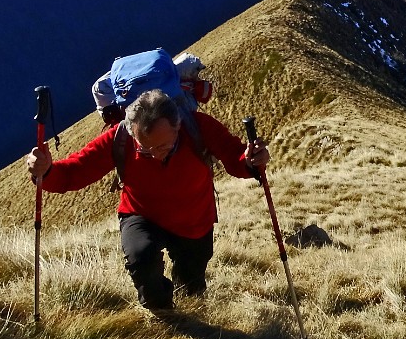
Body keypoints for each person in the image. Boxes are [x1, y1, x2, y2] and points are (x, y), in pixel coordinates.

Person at [26, 89, 269, 313]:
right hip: (141, 214)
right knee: (142, 262)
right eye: (145, 148)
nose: (154, 153)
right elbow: (74, 173)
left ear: (178, 126)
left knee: (191, 290)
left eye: (162, 145)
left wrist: (252, 160)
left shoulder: (200, 128)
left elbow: (236, 158)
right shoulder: (120, 138)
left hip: (194, 221)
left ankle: (185, 311)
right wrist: (45, 171)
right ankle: (163, 314)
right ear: (133, 131)